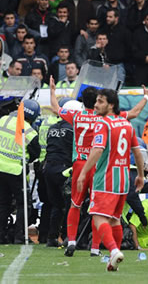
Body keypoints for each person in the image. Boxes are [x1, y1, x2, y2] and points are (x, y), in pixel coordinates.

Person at [49, 77, 148, 257]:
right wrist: (145, 97)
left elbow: (55, 108)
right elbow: (135, 113)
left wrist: (52, 90)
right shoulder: (111, 120)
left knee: (75, 204)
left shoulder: (76, 116)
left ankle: (72, 240)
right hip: (100, 168)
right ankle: (96, 248)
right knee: (101, 211)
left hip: (81, 164)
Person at [76, 89, 145, 272]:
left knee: (98, 217)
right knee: (114, 220)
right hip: (123, 179)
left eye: (100, 102)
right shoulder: (126, 124)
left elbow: (97, 150)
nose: (96, 105)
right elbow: (137, 152)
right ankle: (114, 258)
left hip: (105, 178)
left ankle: (114, 251)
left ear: (111, 105)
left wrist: (83, 173)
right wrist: (140, 175)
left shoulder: (103, 123)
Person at [0, 99, 41, 244]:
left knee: (3, 203)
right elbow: (36, 153)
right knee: (23, 204)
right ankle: (19, 236)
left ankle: (1, 235)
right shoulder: (29, 131)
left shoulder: (3, 120)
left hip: (0, 168)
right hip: (15, 171)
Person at [42, 100, 77, 247]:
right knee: (70, 205)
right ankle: (68, 237)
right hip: (64, 170)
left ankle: (52, 238)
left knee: (56, 205)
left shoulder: (52, 128)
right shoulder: (73, 130)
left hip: (48, 169)